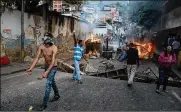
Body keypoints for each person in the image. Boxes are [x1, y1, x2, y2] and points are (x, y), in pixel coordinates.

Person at [26, 33, 60, 111]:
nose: (46, 45)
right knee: (52, 81)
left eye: (47, 43)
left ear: (49, 41)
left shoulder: (54, 48)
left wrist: (46, 72)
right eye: (45, 43)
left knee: (48, 84)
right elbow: (37, 58)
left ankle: (44, 104)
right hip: (46, 66)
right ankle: (57, 95)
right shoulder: (41, 47)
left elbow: (53, 61)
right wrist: (31, 68)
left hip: (53, 67)